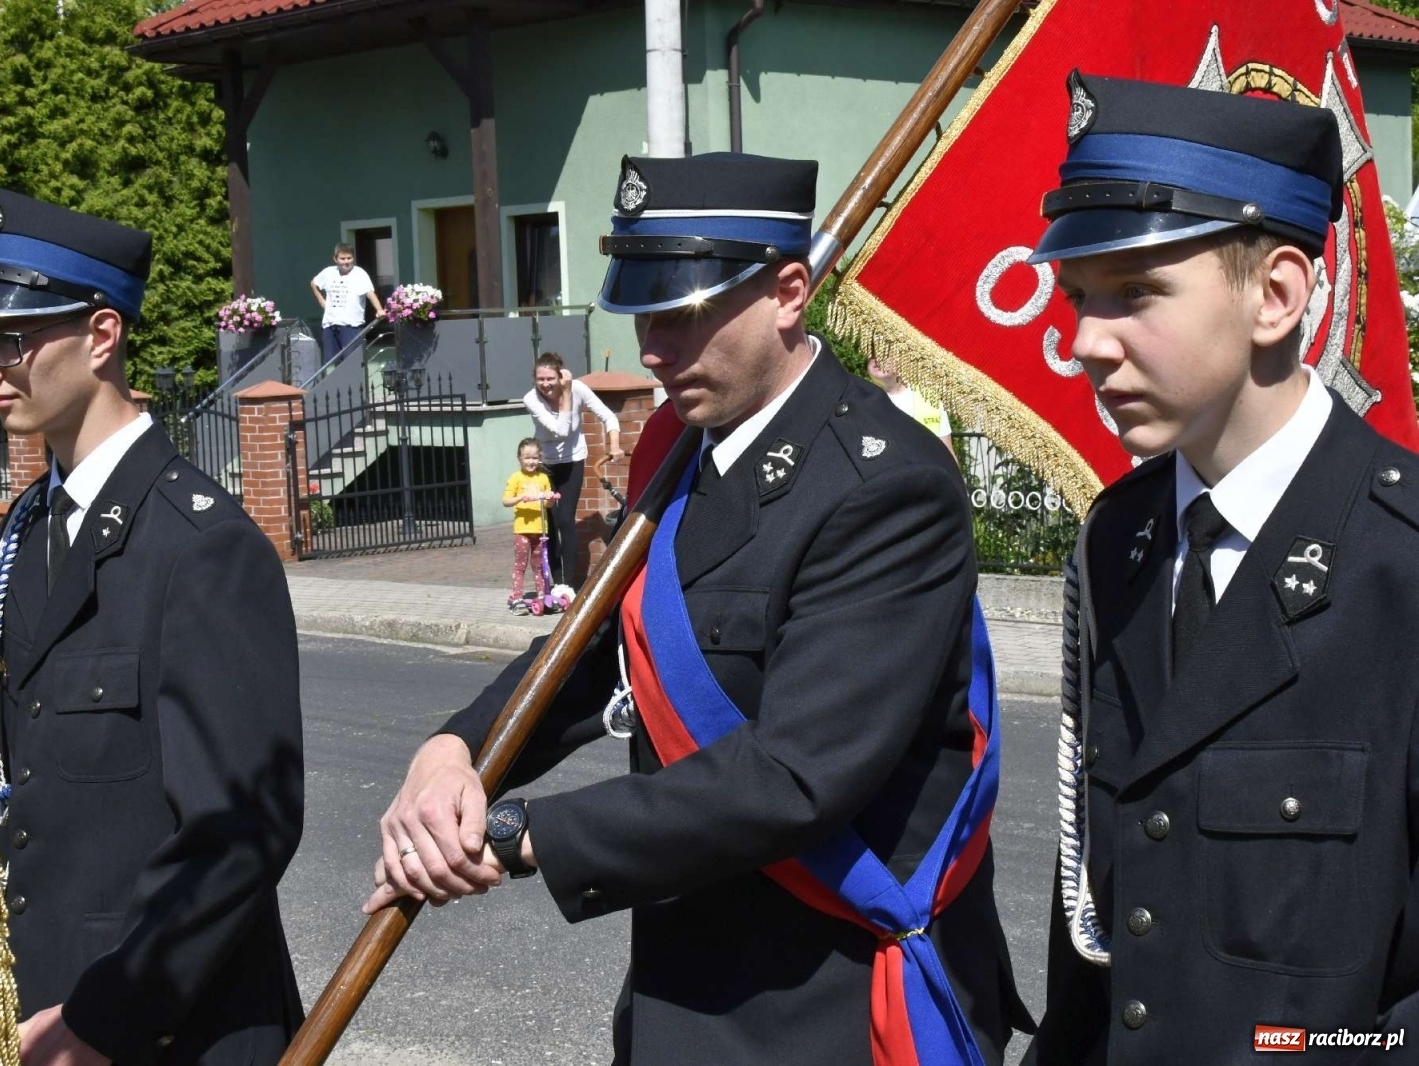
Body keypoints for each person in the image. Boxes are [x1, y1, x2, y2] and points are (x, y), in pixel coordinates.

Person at [364, 153, 1029, 1064]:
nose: (652, 349)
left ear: (789, 292)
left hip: (826, 1002)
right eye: (644, 311)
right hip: (686, 993)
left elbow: (795, 775)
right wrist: (462, 751)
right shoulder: (684, 451)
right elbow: (604, 643)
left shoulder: (886, 486)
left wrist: (526, 837)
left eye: (684, 312)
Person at [1024, 74, 1419, 1061]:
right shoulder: (1115, 543)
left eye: (1136, 293)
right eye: (1076, 298)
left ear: (1275, 296)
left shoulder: (1402, 561)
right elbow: (1102, 933)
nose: (1082, 343)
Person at [0, 188, 305, 1065]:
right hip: (39, 1013)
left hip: (163, 1029)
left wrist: (106, 1018)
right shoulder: (28, 528)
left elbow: (240, 831)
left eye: (12, 341)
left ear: (102, 336)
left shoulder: (203, 546)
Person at [522, 350, 624, 585]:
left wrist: (615, 444)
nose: (545, 384)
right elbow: (561, 429)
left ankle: (569, 584)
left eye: (550, 378)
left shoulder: (579, 389)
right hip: (544, 465)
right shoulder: (531, 399)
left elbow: (608, 416)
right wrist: (566, 393)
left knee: (566, 519)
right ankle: (552, 582)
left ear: (560, 376)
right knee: (548, 522)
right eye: (540, 379)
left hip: (572, 461)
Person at [502, 437, 557, 614]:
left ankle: (542, 595)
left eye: (534, 458)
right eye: (527, 457)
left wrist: (549, 497)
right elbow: (506, 501)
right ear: (520, 458)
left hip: (540, 529)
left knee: (539, 565)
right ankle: (517, 597)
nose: (531, 461)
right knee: (520, 564)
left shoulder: (543, 478)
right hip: (523, 530)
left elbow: (549, 505)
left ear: (539, 458)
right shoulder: (516, 478)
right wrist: (520, 497)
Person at [867, 350, 956, 455]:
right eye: (872, 353)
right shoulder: (861, 398)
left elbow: (947, 454)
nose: (877, 358)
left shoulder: (929, 399)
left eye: (886, 353)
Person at [310, 242, 384, 364]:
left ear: (353, 258)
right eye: (342, 259)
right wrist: (322, 300)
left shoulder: (359, 273)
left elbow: (370, 293)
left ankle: (354, 384)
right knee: (332, 363)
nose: (346, 262)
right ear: (335, 259)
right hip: (330, 324)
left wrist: (379, 309)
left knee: (351, 362)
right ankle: (337, 384)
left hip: (351, 325)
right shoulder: (328, 272)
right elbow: (314, 283)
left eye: (349, 258)